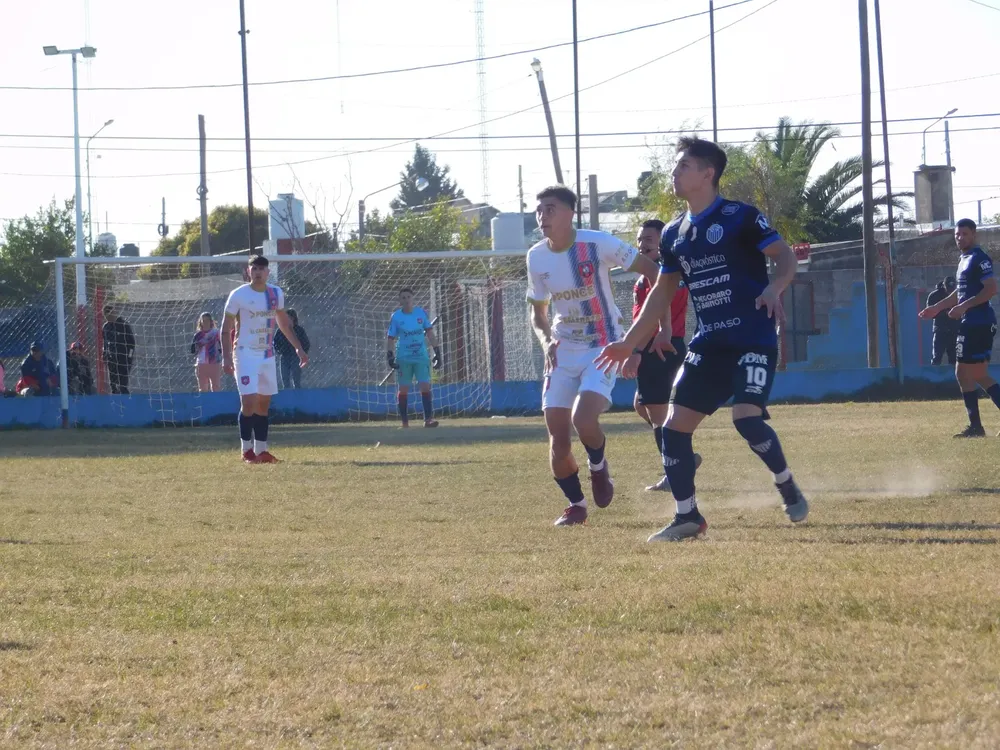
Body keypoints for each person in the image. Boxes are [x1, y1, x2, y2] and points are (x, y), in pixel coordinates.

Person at [596, 137, 809, 541]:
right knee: (674, 429)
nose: (675, 174)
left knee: (746, 419)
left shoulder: (741, 216)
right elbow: (661, 293)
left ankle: (784, 481)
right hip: (709, 342)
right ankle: (688, 517)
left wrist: (774, 288)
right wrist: (629, 342)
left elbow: (785, 256)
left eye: (683, 167)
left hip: (752, 338)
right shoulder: (675, 233)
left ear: (707, 173)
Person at [527, 185, 661, 527]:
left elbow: (654, 272)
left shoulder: (598, 242)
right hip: (563, 349)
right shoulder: (536, 257)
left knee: (583, 420)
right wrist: (545, 342)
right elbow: (539, 312)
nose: (543, 215)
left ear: (571, 212)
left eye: (551, 208)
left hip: (603, 345)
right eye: (539, 209)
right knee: (557, 438)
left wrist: (653, 325)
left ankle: (598, 468)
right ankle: (576, 504)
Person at [622, 218, 702, 492]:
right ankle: (684, 457)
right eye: (640, 240)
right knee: (642, 406)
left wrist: (635, 350)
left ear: (662, 243)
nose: (642, 245)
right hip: (662, 345)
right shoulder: (652, 275)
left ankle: (675, 470)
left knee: (657, 414)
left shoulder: (661, 276)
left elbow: (656, 315)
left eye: (649, 240)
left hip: (657, 347)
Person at [222, 255, 308, 463]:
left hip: (266, 355)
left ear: (268, 272)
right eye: (254, 269)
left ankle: (262, 450)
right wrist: (226, 358)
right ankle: (246, 451)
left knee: (263, 403)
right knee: (249, 401)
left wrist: (299, 349)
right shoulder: (238, 295)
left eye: (262, 268)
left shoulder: (275, 294)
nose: (258, 272)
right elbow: (225, 329)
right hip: (244, 353)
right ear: (248, 272)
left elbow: (284, 324)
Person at [919, 219, 1000, 437]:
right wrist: (936, 308)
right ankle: (976, 427)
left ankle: (976, 427)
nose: (960, 238)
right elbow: (959, 294)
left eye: (964, 234)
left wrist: (963, 307)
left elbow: (991, 289)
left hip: (979, 323)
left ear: (974, 235)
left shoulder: (979, 258)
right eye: (957, 234)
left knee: (970, 372)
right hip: (970, 322)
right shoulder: (963, 259)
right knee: (971, 373)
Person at [386, 288, 442, 428]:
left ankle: (428, 419)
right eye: (403, 297)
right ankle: (405, 423)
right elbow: (391, 338)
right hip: (404, 357)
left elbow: (430, 333)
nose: (406, 300)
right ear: (400, 300)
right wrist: (390, 355)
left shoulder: (421, 313)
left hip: (421, 356)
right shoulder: (396, 317)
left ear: (413, 298)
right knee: (404, 388)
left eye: (408, 297)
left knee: (425, 385)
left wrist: (437, 352)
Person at [102, 304, 136, 394]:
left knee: (122, 385)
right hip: (111, 359)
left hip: (123, 359)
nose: (108, 317)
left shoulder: (123, 325)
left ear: (114, 313)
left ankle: (126, 402)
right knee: (113, 385)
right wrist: (104, 353)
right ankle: (115, 402)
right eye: (105, 315)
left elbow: (132, 343)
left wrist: (129, 357)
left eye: (110, 313)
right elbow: (105, 342)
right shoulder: (106, 327)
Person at [274, 308, 311, 389]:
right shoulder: (280, 330)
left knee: (296, 380)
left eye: (288, 317)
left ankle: (297, 397)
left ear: (293, 318)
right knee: (285, 380)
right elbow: (275, 343)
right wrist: (281, 351)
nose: (286, 319)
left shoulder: (299, 330)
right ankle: (287, 397)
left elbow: (306, 343)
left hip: (296, 357)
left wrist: (302, 352)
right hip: (284, 356)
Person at [926, 276, 959, 365]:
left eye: (952, 290)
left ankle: (954, 377)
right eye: (948, 289)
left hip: (955, 330)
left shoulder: (959, 295)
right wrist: (946, 313)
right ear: (944, 286)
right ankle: (933, 377)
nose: (950, 292)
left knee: (954, 358)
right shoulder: (934, 295)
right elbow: (930, 312)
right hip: (940, 330)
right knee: (936, 357)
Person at [191, 312, 223, 393]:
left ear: (211, 321)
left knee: (216, 387)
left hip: (214, 363)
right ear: (200, 322)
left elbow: (221, 348)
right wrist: (199, 345)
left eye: (207, 320)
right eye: (203, 321)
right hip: (201, 364)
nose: (205, 323)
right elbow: (192, 350)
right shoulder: (198, 335)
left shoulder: (216, 333)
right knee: (203, 389)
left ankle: (216, 404)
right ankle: (204, 405)